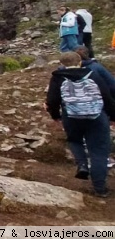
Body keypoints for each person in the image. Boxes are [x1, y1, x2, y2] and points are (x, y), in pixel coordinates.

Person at [45, 52, 115, 198]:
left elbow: (52, 100)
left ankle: (82, 164)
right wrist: (112, 117)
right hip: (96, 116)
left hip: (71, 116)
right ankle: (100, 189)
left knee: (74, 140)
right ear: (80, 62)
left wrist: (55, 116)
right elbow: (106, 97)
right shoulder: (92, 74)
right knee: (99, 151)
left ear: (62, 63)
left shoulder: (58, 77)